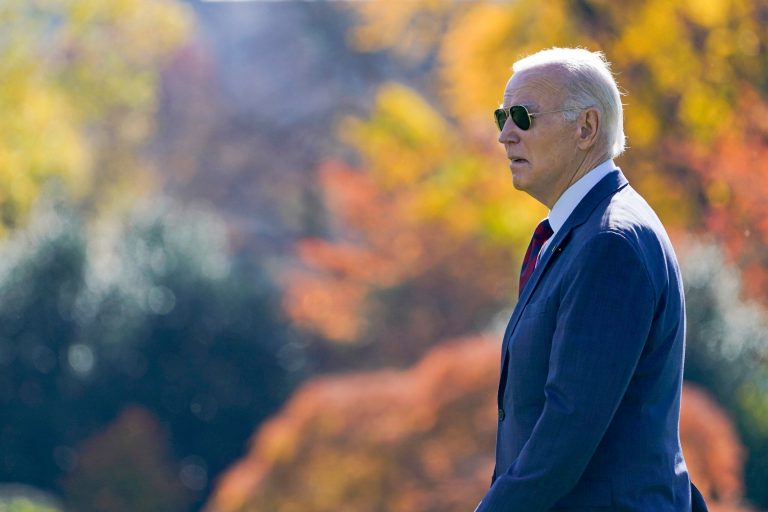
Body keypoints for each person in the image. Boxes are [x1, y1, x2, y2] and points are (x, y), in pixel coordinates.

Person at [474, 48, 707, 511]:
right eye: (502, 116)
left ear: (586, 128)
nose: (505, 135)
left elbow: (569, 427)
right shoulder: (588, 231)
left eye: (523, 116)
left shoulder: (609, 243)